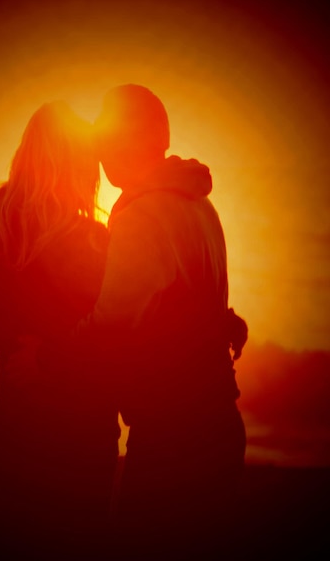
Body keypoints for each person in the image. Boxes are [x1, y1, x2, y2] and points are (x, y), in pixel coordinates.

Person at [83, 84, 248, 557]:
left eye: (107, 140)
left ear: (131, 143)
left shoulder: (143, 215)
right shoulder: (201, 205)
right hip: (220, 422)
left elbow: (111, 321)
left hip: (174, 437)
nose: (100, 153)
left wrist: (44, 358)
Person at [0, 101, 120, 557]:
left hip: (19, 417)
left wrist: (31, 345)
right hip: (84, 425)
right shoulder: (98, 241)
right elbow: (109, 335)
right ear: (79, 162)